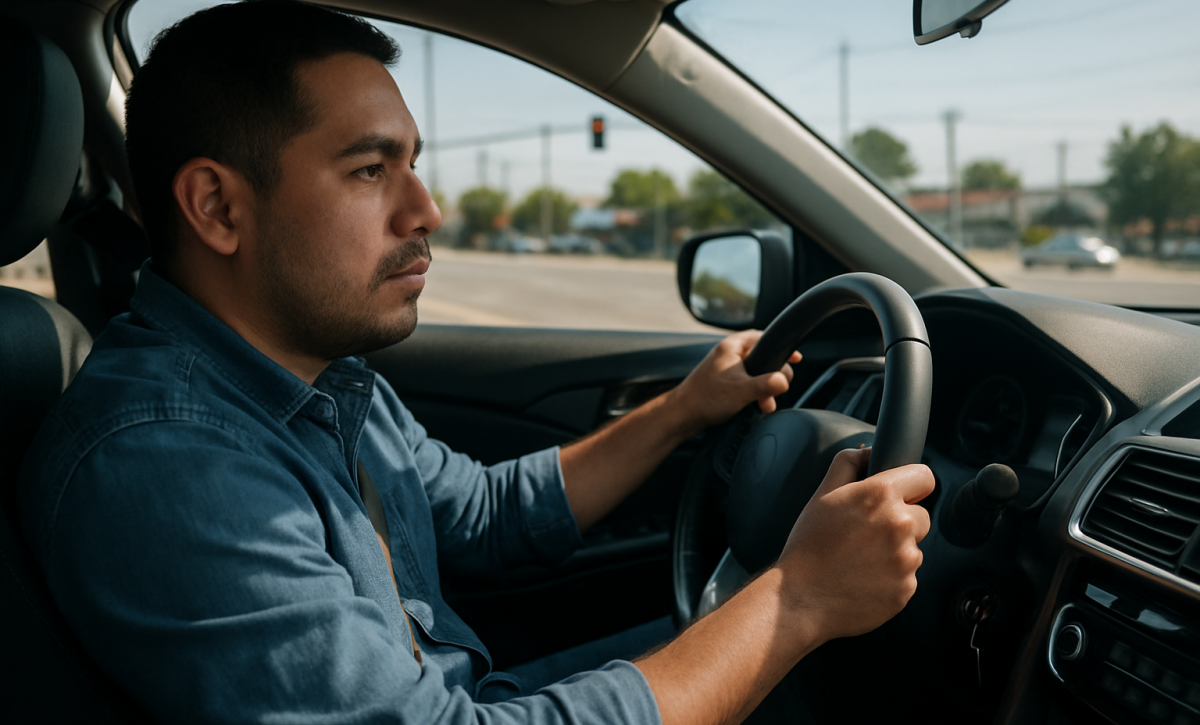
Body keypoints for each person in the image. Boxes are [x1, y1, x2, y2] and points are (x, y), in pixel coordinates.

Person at [17, 2, 934, 724]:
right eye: (370, 170)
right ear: (217, 208)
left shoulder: (319, 371)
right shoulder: (168, 459)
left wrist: (687, 407)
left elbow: (483, 515)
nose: (427, 210)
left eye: (412, 163)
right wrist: (799, 598)